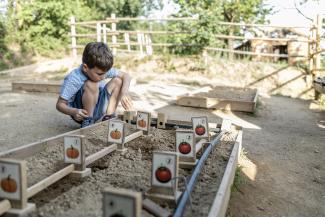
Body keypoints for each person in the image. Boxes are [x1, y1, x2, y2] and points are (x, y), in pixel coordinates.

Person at [56, 42, 133, 128]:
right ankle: (88, 122)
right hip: (82, 113)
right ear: (85, 68)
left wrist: (124, 93)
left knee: (118, 81)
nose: (103, 77)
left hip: (98, 105)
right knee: (92, 83)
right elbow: (60, 104)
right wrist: (73, 112)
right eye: (100, 74)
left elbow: (126, 76)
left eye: (105, 73)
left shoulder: (100, 70)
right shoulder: (74, 78)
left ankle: (109, 118)